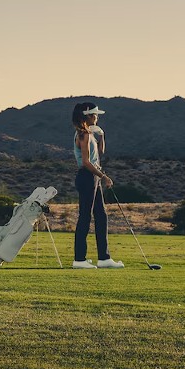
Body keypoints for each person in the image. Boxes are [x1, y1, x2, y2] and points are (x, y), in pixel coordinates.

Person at [70, 102, 123, 269]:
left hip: (93, 177)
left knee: (101, 215)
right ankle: (79, 260)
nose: (97, 117)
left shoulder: (90, 134)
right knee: (85, 217)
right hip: (87, 177)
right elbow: (86, 162)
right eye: (95, 114)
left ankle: (104, 258)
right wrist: (104, 176)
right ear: (87, 116)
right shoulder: (83, 135)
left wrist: (102, 136)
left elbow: (99, 153)